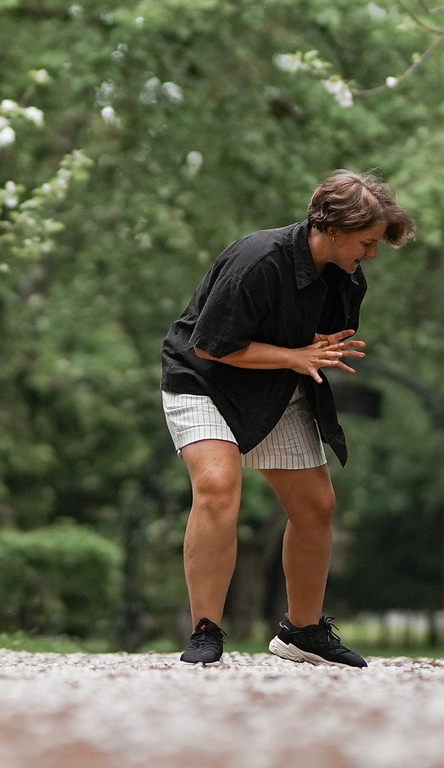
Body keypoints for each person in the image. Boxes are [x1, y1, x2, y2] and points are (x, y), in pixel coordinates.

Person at [158, 170, 415, 666]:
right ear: (333, 229)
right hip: (204, 381)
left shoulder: (347, 277)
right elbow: (210, 345)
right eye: (367, 242)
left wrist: (309, 351)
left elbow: (313, 345)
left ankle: (302, 632)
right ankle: (205, 631)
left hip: (277, 385)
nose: (372, 254)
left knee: (316, 505)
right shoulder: (258, 260)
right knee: (217, 486)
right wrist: (295, 354)